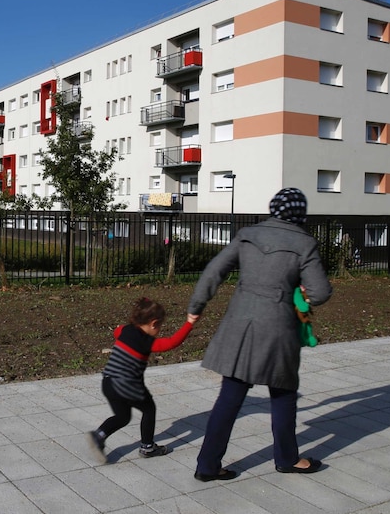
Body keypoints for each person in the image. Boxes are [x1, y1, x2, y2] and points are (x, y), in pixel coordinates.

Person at [187, 187, 332, 482]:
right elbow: (320, 293)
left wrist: (196, 307)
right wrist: (301, 290)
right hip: (278, 329)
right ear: (300, 213)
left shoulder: (248, 234)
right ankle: (287, 459)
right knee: (283, 393)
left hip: (239, 324)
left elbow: (214, 271)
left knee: (230, 396)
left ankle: (207, 465)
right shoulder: (304, 243)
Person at [87, 297, 196, 462]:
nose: (159, 331)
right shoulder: (147, 342)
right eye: (159, 326)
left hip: (108, 382)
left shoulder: (125, 330)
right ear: (153, 323)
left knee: (122, 417)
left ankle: (99, 435)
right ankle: (147, 447)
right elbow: (172, 342)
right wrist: (189, 323)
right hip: (126, 385)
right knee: (149, 409)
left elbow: (116, 331)